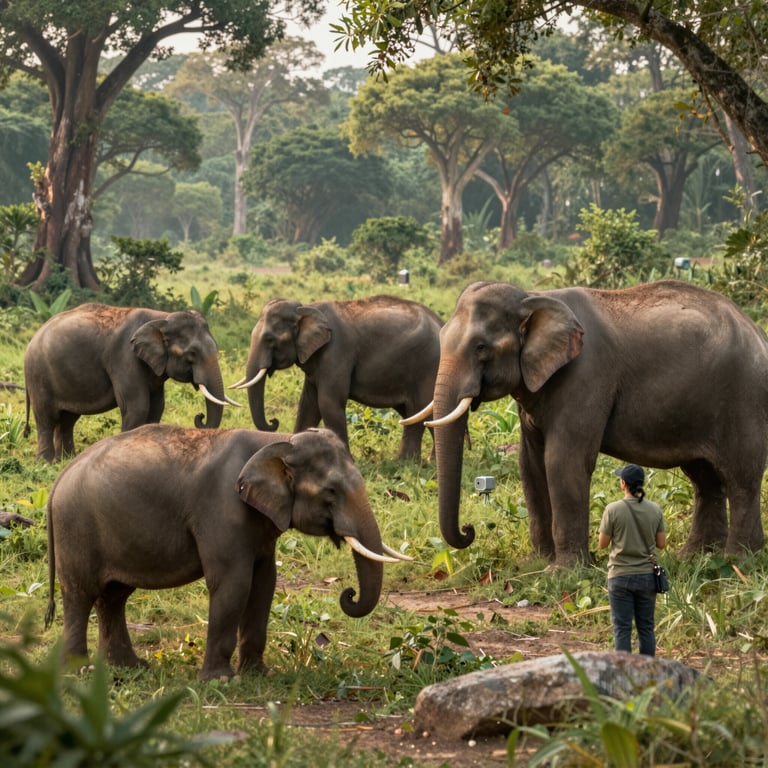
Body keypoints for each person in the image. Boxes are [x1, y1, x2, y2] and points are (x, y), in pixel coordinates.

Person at [598, 464, 666, 656]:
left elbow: (602, 544)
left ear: (623, 484)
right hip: (646, 576)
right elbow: (661, 543)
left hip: (619, 576)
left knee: (622, 628)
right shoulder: (655, 509)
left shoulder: (612, 509)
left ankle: (624, 675)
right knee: (646, 627)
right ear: (641, 484)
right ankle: (648, 674)